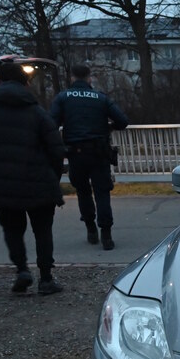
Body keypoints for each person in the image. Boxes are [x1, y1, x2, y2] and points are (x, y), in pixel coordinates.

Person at [0, 61, 67, 295]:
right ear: (25, 83)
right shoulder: (36, 110)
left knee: (12, 229)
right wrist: (53, 175)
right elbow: (55, 148)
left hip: (3, 183)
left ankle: (22, 269)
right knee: (42, 230)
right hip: (38, 181)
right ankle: (46, 278)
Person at [50, 64, 129, 250]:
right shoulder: (101, 98)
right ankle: (107, 236)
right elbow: (123, 121)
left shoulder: (63, 98)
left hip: (76, 154)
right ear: (89, 78)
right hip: (99, 152)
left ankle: (91, 230)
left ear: (71, 78)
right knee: (102, 193)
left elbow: (50, 123)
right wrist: (108, 127)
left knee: (83, 192)